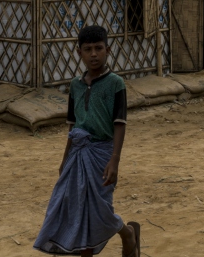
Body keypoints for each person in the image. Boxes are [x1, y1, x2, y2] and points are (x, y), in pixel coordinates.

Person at [34, 25, 140, 256]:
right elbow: (73, 125)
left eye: (99, 48)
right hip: (77, 154)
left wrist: (115, 160)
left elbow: (119, 123)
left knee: (101, 209)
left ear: (108, 50)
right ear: (78, 52)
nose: (94, 54)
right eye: (88, 49)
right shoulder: (75, 85)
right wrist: (65, 160)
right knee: (78, 209)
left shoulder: (115, 84)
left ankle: (127, 233)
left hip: (103, 153)